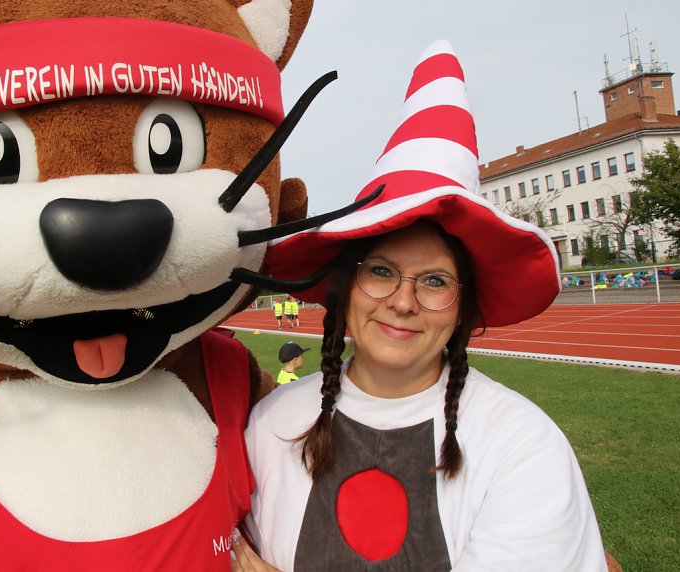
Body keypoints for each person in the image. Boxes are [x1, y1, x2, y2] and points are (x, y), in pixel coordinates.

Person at [234, 41, 610, 571]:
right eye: (382, 272)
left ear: (462, 308)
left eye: (434, 281)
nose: (403, 302)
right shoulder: (273, 426)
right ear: (345, 286)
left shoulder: (522, 445)